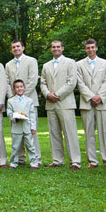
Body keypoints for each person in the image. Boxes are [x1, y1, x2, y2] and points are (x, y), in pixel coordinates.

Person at [40, 40, 81, 169]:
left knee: (70, 132)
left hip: (65, 102)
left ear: (62, 48)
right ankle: (57, 160)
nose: (56, 49)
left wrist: (56, 94)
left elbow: (71, 82)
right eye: (53, 47)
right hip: (50, 104)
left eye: (58, 47)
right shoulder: (46, 65)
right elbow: (43, 83)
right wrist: (47, 94)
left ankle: (75, 161)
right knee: (54, 132)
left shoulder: (70, 62)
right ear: (51, 49)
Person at [76, 39, 106, 170]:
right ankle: (92, 160)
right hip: (87, 103)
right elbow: (80, 83)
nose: (90, 50)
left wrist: (99, 97)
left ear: (96, 48)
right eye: (88, 48)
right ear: (85, 49)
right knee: (89, 132)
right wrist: (91, 97)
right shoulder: (79, 64)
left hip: (102, 103)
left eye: (92, 47)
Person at [4, 40, 41, 166]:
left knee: (30, 131)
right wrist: (13, 98)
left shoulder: (31, 61)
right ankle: (19, 159)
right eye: (13, 47)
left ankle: (36, 159)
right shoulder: (8, 64)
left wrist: (22, 95)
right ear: (11, 49)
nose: (16, 48)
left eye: (18, 46)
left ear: (23, 47)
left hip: (29, 100)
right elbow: (7, 82)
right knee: (17, 132)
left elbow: (32, 80)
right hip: (14, 102)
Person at [6, 79, 39, 170]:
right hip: (16, 127)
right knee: (15, 147)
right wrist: (15, 117)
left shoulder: (29, 100)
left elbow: (32, 114)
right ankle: (13, 162)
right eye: (17, 87)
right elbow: (9, 113)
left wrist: (33, 127)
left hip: (27, 127)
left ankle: (34, 163)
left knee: (30, 146)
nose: (19, 89)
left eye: (21, 87)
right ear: (14, 89)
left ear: (24, 88)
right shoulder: (10, 101)